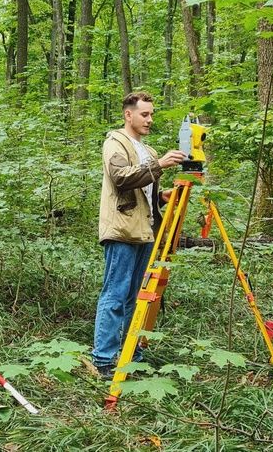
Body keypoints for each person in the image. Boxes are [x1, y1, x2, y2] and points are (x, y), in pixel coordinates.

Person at [92, 91, 186, 377]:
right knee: (115, 295)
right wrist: (160, 165)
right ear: (128, 114)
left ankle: (131, 353)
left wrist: (162, 197)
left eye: (151, 114)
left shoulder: (149, 151)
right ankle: (104, 359)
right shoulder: (116, 142)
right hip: (122, 230)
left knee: (137, 297)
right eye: (144, 114)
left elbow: (145, 194)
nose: (149, 119)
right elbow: (120, 178)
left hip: (145, 232)